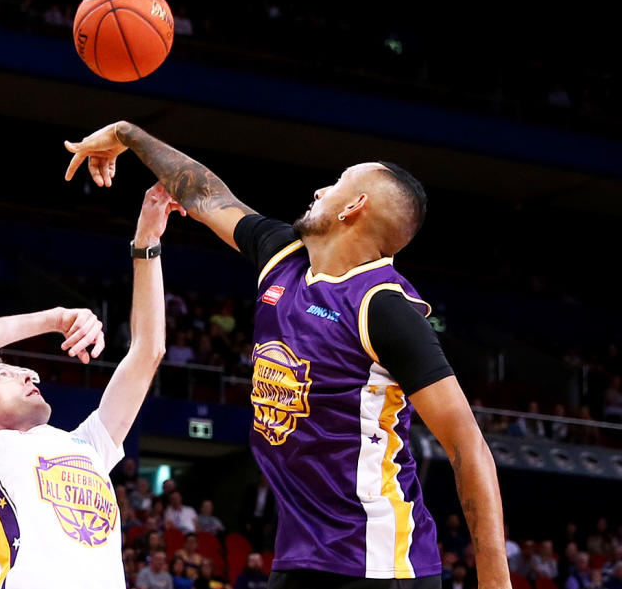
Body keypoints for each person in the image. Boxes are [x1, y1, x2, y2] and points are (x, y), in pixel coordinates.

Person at [64, 121, 509, 589]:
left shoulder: (385, 307)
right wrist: (129, 135)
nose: (320, 189)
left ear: (354, 207)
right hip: (302, 556)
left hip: (379, 564)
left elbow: (468, 446)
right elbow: (206, 194)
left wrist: (495, 579)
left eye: (337, 183)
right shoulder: (284, 255)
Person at [0, 186, 178, 588]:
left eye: (24, 370)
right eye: (3, 375)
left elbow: (148, 351)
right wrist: (57, 317)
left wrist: (147, 244)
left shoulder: (88, 447)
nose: (28, 374)